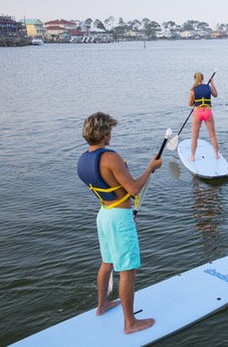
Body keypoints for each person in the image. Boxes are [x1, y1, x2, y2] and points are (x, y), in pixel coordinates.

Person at [76, 112, 162, 334]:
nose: (111, 135)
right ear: (104, 133)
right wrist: (150, 168)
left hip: (103, 214)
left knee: (107, 263)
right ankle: (130, 323)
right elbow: (133, 189)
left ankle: (102, 305)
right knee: (127, 270)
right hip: (119, 219)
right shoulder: (110, 158)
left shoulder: (84, 159)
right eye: (110, 130)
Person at [189, 72, 219, 161]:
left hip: (197, 113)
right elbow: (216, 95)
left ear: (195, 79)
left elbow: (189, 104)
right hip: (207, 113)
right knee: (212, 135)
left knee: (194, 136)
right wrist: (212, 83)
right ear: (203, 79)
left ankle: (193, 157)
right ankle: (216, 155)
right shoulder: (208, 87)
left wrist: (194, 101)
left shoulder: (192, 90)